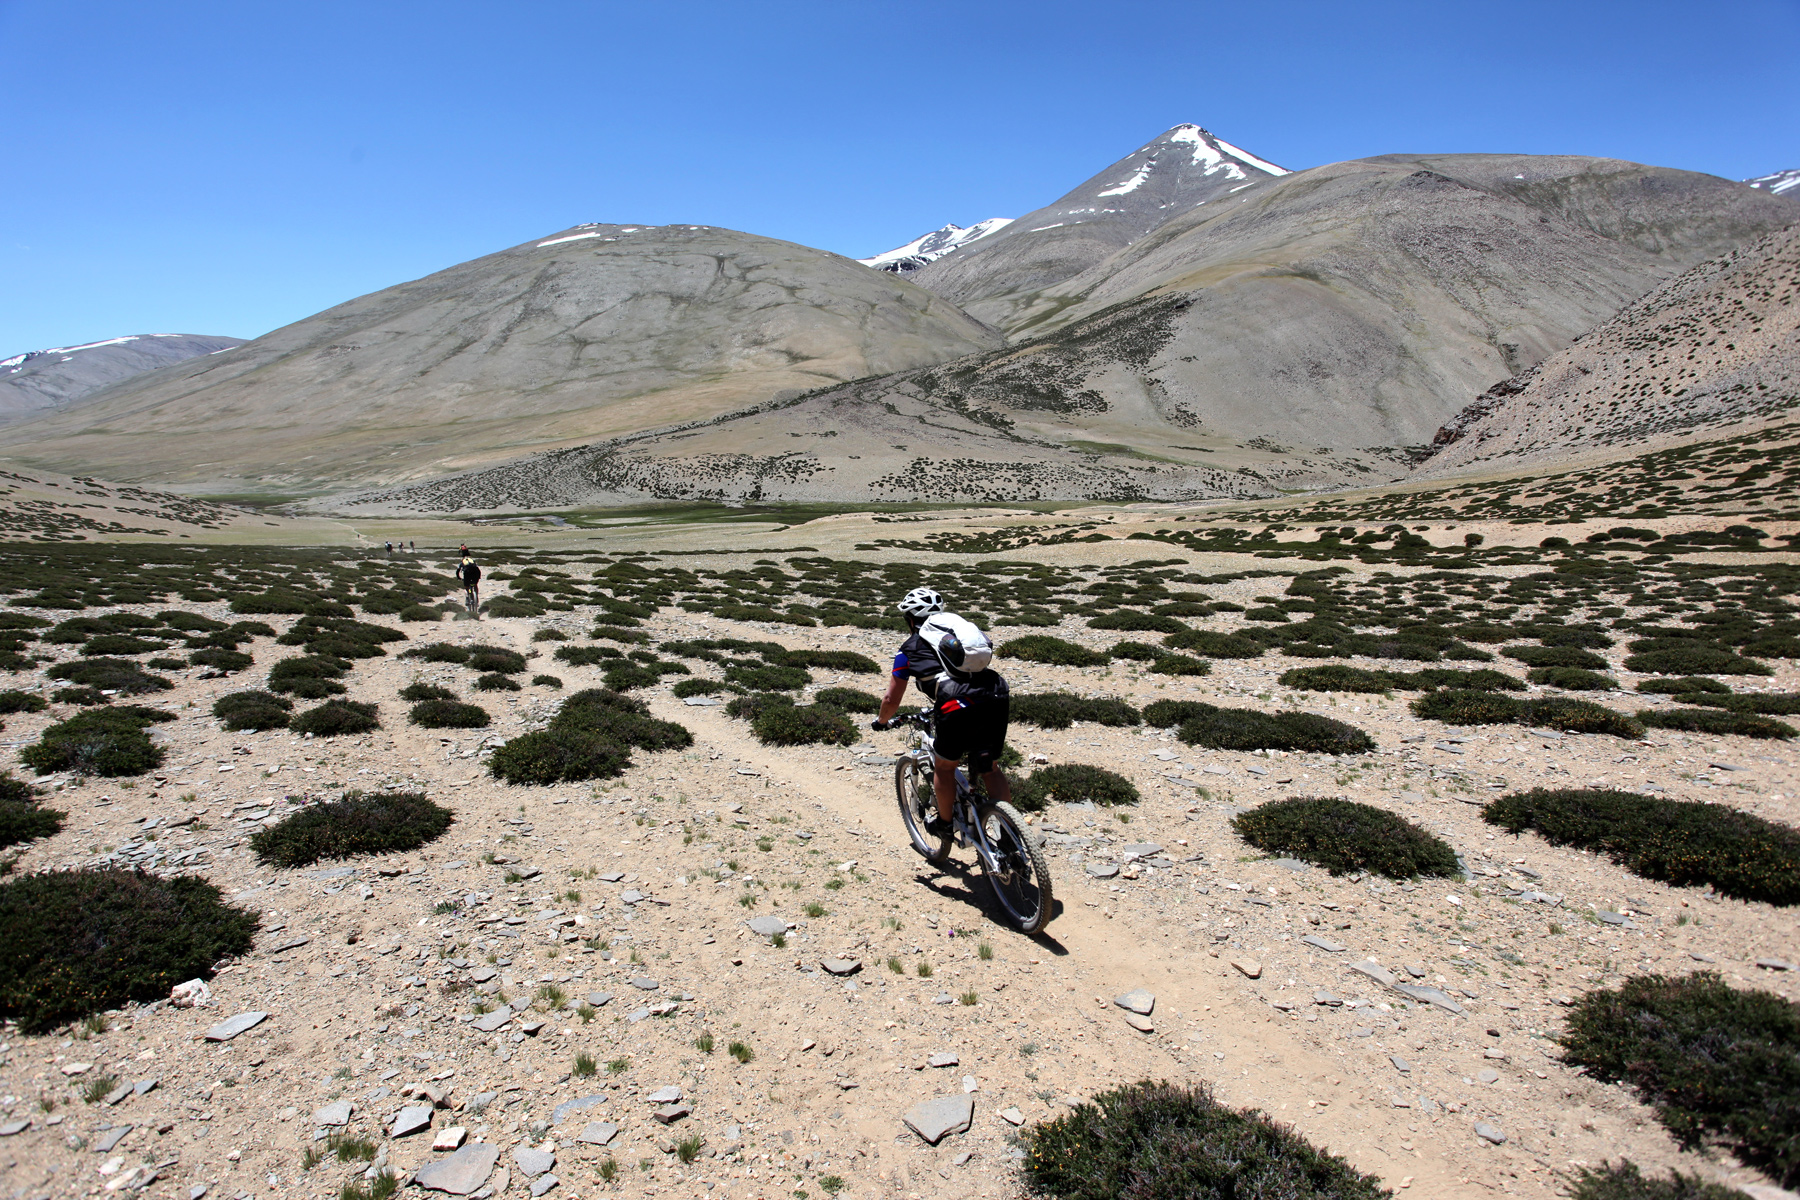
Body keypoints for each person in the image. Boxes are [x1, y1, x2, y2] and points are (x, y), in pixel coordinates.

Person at [873, 588, 1011, 859]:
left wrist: (881, 721)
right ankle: (1010, 832)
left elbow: (891, 698)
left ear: (911, 619)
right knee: (989, 766)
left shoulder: (909, 650)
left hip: (954, 702)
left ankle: (945, 825)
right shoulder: (958, 634)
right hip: (994, 693)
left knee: (946, 767)